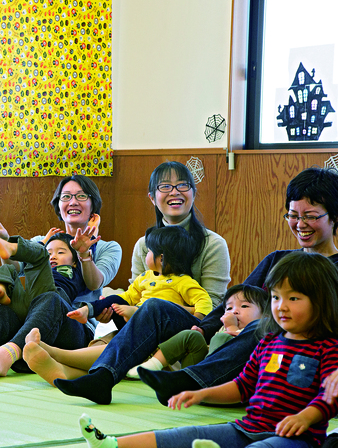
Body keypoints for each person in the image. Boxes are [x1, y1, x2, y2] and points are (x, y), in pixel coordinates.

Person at [77, 251, 338, 448]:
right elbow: (242, 386)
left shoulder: (327, 349)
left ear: (321, 301)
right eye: (277, 297)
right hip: (247, 427)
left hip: (293, 439)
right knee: (185, 435)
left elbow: (330, 398)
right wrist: (201, 394)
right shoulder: (268, 342)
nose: (281, 306)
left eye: (293, 298)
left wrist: (304, 417)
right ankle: (111, 443)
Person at [23, 161, 230, 403]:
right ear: (152, 198)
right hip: (144, 323)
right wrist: (109, 308)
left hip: (192, 329)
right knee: (124, 329)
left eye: (182, 185)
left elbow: (213, 308)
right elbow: (135, 293)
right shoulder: (144, 245)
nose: (174, 192)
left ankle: (58, 354)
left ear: (193, 193)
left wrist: (148, 312)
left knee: (152, 309)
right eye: (165, 186)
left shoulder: (212, 244)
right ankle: (67, 373)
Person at [138, 166, 338, 404]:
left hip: (304, 355)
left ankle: (191, 381)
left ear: (334, 216)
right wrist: (204, 328)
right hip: (248, 345)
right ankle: (106, 374)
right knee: (154, 306)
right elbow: (235, 299)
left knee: (266, 325)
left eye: (311, 216)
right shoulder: (277, 260)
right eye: (293, 216)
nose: (300, 224)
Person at [0, 174, 122, 377]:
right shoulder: (41, 241)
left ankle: (8, 354)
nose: (72, 202)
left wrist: (84, 255)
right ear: (58, 205)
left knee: (51, 297)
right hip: (30, 322)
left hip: (74, 327)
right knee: (3, 312)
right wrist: (5, 240)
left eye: (80, 196)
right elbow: (16, 270)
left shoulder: (108, 248)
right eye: (66, 197)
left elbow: (95, 281)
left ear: (93, 204)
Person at [0, 231, 90, 374]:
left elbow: (40, 260)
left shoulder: (75, 272)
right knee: (8, 274)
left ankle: (8, 354)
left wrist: (42, 247)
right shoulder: (40, 274)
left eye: (61, 252)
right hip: (33, 305)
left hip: (59, 310)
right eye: (49, 252)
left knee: (48, 293)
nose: (53, 256)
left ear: (75, 261)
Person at [67, 225, 212, 329]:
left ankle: (136, 313)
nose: (146, 255)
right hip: (133, 323)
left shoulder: (182, 281)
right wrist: (108, 304)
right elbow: (130, 296)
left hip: (162, 326)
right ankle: (88, 310)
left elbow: (203, 299)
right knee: (116, 299)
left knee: (151, 306)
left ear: (161, 258)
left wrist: (197, 319)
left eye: (149, 252)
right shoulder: (145, 277)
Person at [127, 284, 265, 378]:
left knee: (220, 339)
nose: (234, 311)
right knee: (191, 336)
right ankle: (152, 366)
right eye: (229, 308)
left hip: (223, 381)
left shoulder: (259, 332)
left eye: (245, 306)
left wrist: (232, 329)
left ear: (265, 314)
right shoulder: (225, 326)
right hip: (200, 374)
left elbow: (233, 354)